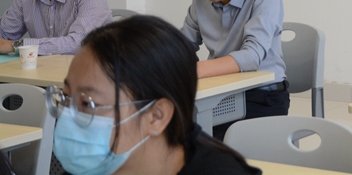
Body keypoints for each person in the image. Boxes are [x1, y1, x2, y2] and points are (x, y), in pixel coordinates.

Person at [45, 15, 261, 175]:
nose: (67, 117)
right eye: (65, 98)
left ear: (156, 116)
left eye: (86, 103)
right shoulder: (89, 168)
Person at [182, 0, 288, 140]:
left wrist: (193, 70)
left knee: (205, 145)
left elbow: (251, 56)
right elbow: (184, 43)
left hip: (261, 96)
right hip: (219, 91)